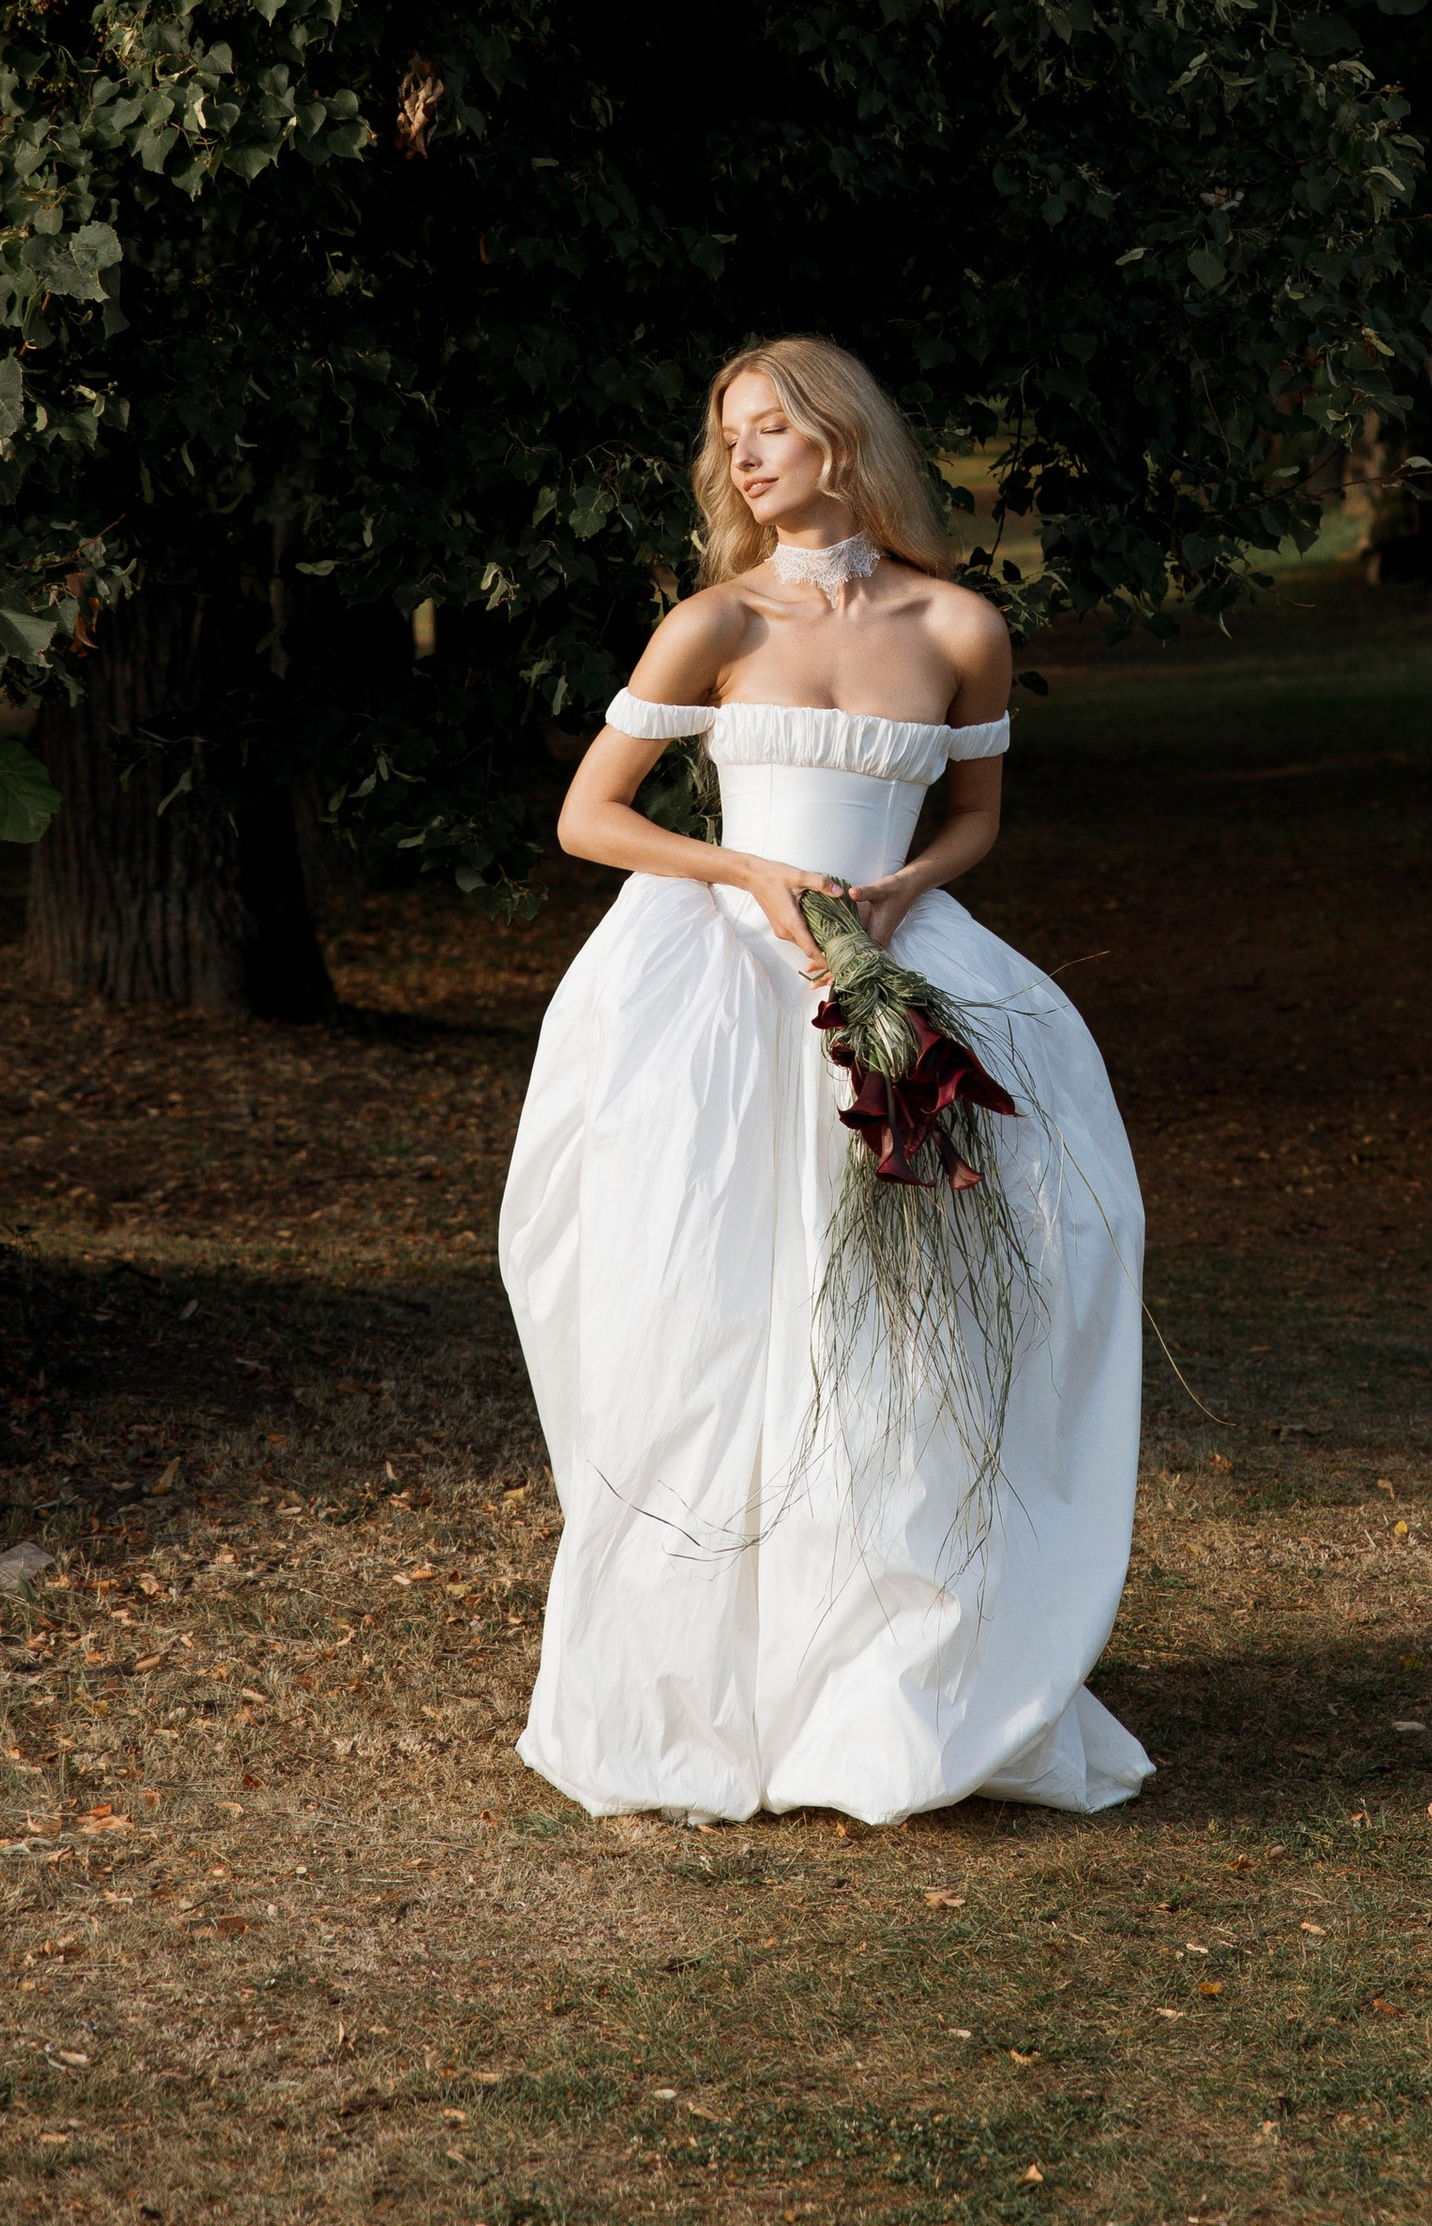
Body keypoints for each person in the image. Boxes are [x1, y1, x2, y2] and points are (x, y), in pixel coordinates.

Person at [498, 335, 1150, 1827]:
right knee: (715, 1323)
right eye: (727, 433)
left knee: (926, 1322)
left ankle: (900, 1687)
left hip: (902, 978)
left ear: (841, 439)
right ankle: (716, 1681)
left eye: (767, 426)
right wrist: (752, 875)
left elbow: (976, 813)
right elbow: (590, 815)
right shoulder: (712, 621)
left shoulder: (959, 626)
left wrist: (906, 890)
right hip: (725, 989)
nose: (740, 456)